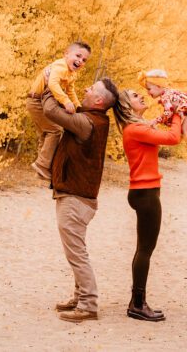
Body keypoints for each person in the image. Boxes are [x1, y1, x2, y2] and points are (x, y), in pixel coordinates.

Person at [41, 77, 120, 323]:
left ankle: (88, 304)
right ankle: (79, 297)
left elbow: (50, 111)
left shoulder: (87, 123)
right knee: (76, 251)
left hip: (76, 199)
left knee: (76, 254)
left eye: (92, 89)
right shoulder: (93, 120)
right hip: (77, 197)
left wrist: (49, 82)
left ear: (99, 101)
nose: (87, 89)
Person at [114, 88, 187, 322]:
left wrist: (169, 115)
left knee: (143, 249)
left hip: (144, 192)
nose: (141, 96)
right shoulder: (135, 129)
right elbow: (173, 138)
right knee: (145, 250)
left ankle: (136, 302)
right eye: (134, 96)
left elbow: (164, 132)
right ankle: (138, 304)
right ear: (126, 106)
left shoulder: (138, 127)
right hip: (145, 193)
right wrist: (176, 113)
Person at [26, 41, 92, 179]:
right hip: (36, 101)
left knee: (45, 133)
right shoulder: (60, 66)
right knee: (55, 130)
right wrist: (65, 101)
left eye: (84, 60)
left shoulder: (71, 74)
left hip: (39, 101)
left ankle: (42, 168)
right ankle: (42, 165)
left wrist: (78, 107)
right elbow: (52, 83)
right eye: (78, 56)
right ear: (66, 54)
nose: (80, 61)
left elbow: (70, 91)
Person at [138, 68, 187, 163]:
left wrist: (156, 120)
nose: (148, 93)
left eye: (149, 89)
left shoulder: (165, 97)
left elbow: (169, 111)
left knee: (184, 129)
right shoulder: (168, 92)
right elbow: (172, 110)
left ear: (158, 86)